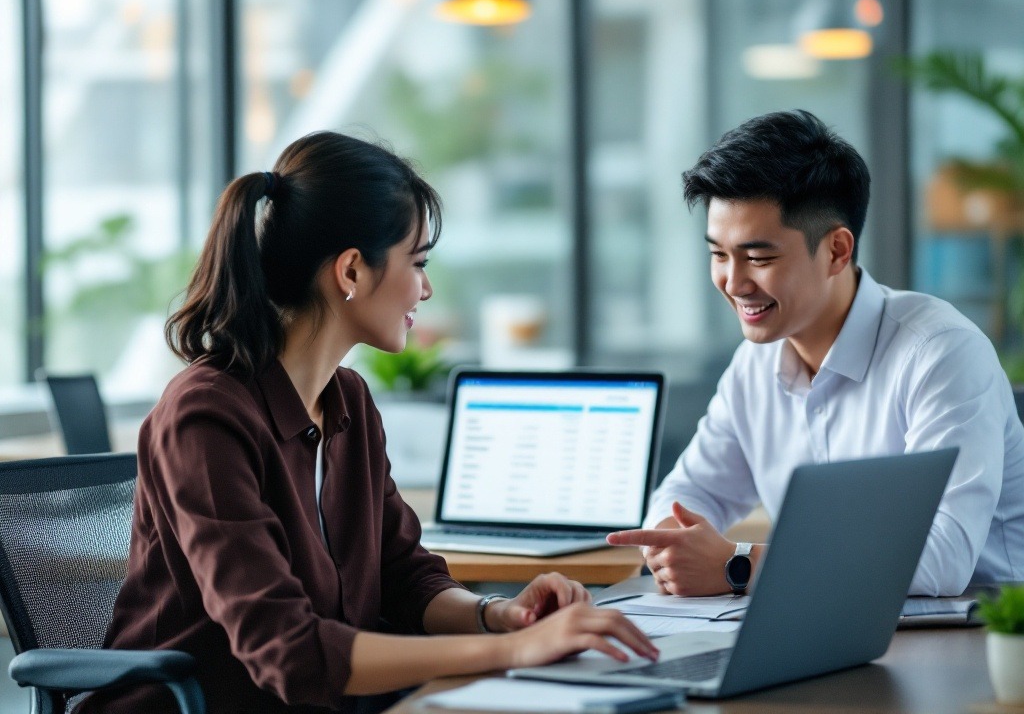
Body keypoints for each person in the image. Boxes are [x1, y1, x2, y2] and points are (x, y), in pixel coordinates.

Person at [82, 132, 657, 714]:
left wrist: (499, 616)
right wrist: (513, 650)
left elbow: (406, 576)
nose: (426, 288)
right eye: (418, 262)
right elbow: (290, 654)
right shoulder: (204, 416)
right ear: (352, 271)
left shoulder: (348, 402)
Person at [607, 109, 1024, 598]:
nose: (734, 283)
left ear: (836, 251)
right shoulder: (755, 364)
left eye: (759, 258)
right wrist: (674, 545)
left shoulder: (941, 353)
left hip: (979, 634)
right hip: (824, 621)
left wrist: (738, 565)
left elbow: (943, 558)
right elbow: (688, 492)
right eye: (719, 254)